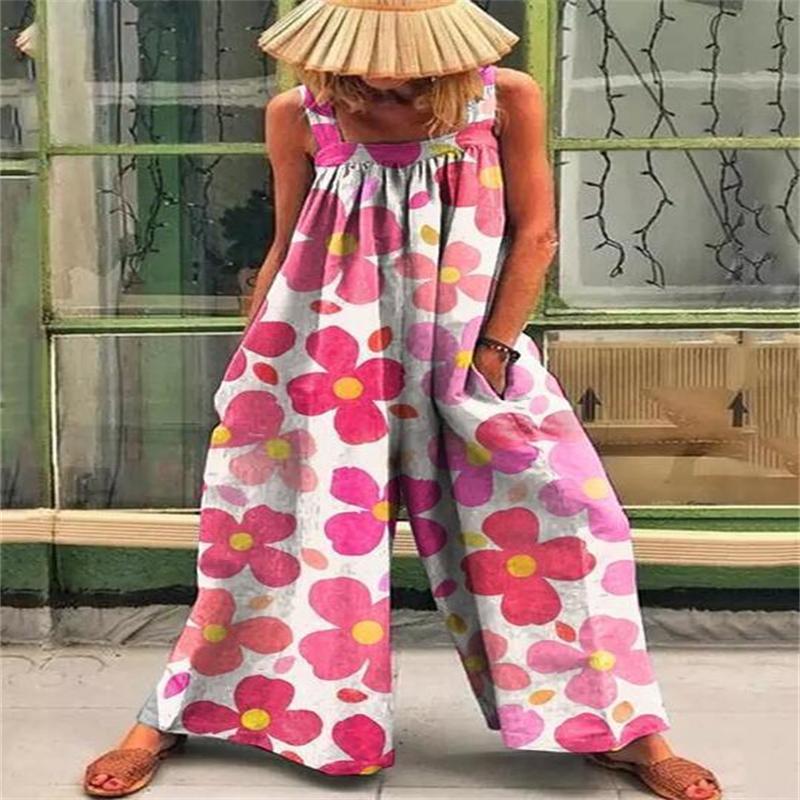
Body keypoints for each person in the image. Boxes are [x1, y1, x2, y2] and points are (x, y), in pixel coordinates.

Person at [82, 1, 722, 798]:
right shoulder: (300, 112)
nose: (387, 67)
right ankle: (173, 714)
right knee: (276, 538)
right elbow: (287, 242)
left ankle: (628, 731)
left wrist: (493, 351)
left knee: (569, 520)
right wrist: (254, 362)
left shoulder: (503, 98)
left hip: (465, 359)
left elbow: (536, 234)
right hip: (323, 359)